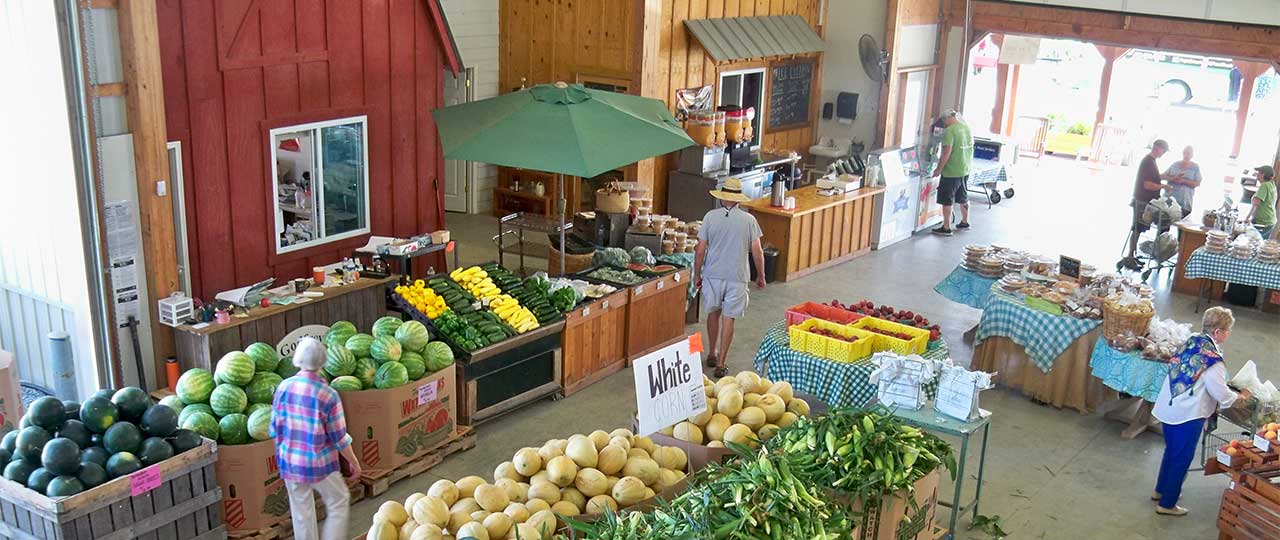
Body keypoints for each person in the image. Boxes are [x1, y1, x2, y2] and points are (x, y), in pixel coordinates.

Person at [1151, 307, 1250, 517]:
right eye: (1227, 330)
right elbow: (1220, 393)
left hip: (1169, 406)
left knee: (1171, 452)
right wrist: (1239, 398)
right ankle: (1167, 504)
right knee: (1182, 458)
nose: (1228, 334)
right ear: (1217, 332)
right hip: (1189, 414)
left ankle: (1161, 490)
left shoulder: (1193, 340)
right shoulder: (1214, 361)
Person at [271, 337, 361, 540]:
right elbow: (339, 437)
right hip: (319, 463)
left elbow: (275, 428)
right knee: (338, 500)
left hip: (290, 463)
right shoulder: (328, 394)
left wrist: (286, 454)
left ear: (297, 360)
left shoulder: (283, 387)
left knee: (301, 512)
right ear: (322, 363)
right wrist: (353, 462)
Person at [695, 177, 766, 378]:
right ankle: (722, 363)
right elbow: (757, 252)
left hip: (712, 274)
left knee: (713, 313)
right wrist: (761, 275)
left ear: (721, 198)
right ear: (738, 200)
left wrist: (697, 274)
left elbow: (700, 250)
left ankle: (711, 352)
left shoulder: (710, 217)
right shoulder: (749, 220)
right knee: (729, 317)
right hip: (737, 276)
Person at [1123, 139, 1170, 267]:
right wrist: (1163, 187)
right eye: (1163, 151)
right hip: (1142, 200)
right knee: (1137, 227)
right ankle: (1129, 255)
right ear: (1158, 148)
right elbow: (1148, 185)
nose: (1163, 153)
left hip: (1145, 201)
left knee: (1139, 227)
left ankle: (1132, 254)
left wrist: (1168, 178)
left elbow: (1154, 177)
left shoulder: (1151, 161)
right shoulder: (1148, 161)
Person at [930, 110, 974, 236]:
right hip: (965, 168)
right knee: (963, 196)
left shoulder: (950, 131)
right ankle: (965, 222)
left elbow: (946, 152)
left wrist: (939, 169)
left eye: (944, 122)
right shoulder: (967, 128)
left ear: (946, 119)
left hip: (951, 171)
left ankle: (946, 227)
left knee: (947, 200)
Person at [1162, 145, 1201, 218]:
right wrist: (1173, 178)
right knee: (1164, 226)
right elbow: (1162, 176)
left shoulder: (1195, 167)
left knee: (1182, 227)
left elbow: (1197, 183)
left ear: (1192, 155)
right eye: (1185, 153)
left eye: (1188, 153)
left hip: (1185, 204)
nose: (1186, 155)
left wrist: (1183, 181)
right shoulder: (1175, 164)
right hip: (1169, 201)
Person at [1244, 165, 1277, 239]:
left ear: (1264, 174)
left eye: (1259, 172)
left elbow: (1256, 204)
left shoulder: (1264, 186)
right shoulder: (1271, 184)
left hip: (1263, 222)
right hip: (1269, 220)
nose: (1257, 174)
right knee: (1260, 242)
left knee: (1256, 243)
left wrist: (1247, 218)